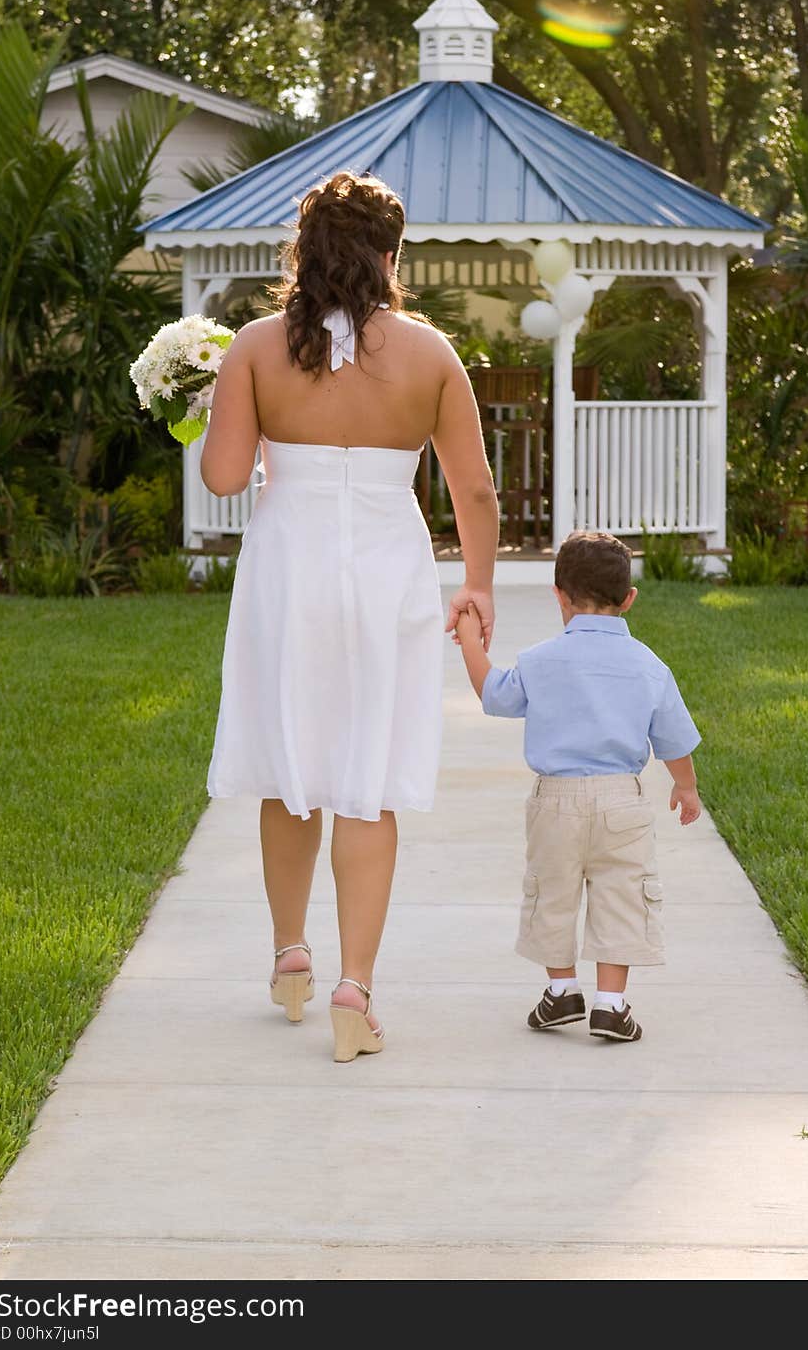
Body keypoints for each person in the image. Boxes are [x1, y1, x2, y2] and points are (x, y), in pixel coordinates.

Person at [201, 171, 498, 1062]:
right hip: (383, 572)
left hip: (286, 570)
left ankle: (290, 953)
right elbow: (474, 488)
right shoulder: (429, 354)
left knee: (290, 762)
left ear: (304, 252)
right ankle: (352, 991)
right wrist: (478, 586)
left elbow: (223, 477)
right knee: (363, 775)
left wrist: (213, 409)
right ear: (389, 256)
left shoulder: (254, 346)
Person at [454, 530, 701, 1043]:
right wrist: (686, 788)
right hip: (621, 802)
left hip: (556, 802)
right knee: (621, 895)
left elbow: (495, 696)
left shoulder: (540, 660)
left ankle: (562, 992)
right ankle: (611, 1005)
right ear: (629, 599)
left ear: (558, 594)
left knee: (552, 894)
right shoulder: (648, 665)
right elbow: (673, 736)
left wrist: (472, 641)